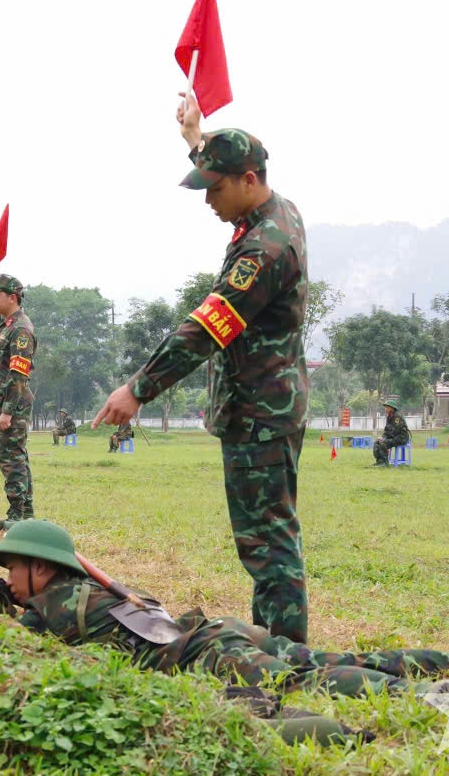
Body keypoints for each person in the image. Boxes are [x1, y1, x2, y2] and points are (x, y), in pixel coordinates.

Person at [94, 97, 310, 643]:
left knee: (268, 544)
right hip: (264, 406)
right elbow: (221, 163)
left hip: (262, 412)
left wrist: (138, 388)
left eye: (215, 187)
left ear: (248, 179)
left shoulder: (264, 249)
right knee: (265, 537)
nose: (208, 199)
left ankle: (285, 658)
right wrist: (195, 137)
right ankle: (276, 646)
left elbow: (205, 329)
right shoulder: (273, 209)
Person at [0, 521, 449, 695]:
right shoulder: (94, 593)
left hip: (212, 653)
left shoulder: (50, 606)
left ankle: (427, 695)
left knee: (301, 684)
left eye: (13, 568)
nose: (9, 580)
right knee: (339, 657)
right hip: (222, 632)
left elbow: (2, 646)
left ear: (43, 569)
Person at [0, 272, 38, 520]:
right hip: (4, 403)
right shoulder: (8, 324)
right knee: (14, 457)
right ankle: (25, 512)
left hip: (12, 406)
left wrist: (7, 411)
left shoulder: (21, 330)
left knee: (11, 460)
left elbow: (18, 375)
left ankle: (18, 513)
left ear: (12, 298)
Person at [372, 399, 411, 466]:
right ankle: (380, 461)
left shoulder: (397, 416)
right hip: (394, 437)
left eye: (387, 407)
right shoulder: (390, 416)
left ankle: (384, 463)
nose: (385, 409)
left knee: (382, 444)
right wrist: (383, 437)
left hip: (401, 438)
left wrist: (384, 439)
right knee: (377, 442)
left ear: (392, 408)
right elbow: (387, 429)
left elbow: (396, 430)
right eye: (385, 407)